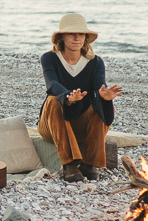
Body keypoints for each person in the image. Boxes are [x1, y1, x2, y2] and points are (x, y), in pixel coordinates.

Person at [38, 13, 122, 182]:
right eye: (71, 33)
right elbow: (51, 84)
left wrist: (104, 96)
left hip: (81, 124)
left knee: (106, 105)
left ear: (85, 38)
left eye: (81, 34)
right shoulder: (50, 58)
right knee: (54, 99)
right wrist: (68, 97)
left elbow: (100, 87)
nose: (77, 38)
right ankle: (69, 165)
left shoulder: (95, 62)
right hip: (52, 124)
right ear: (62, 37)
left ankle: (88, 164)